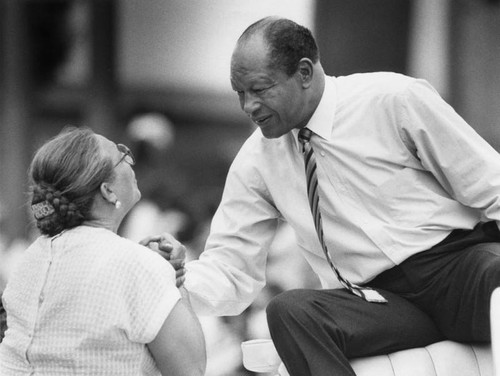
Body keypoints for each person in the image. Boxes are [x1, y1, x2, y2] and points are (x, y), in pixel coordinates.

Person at [150, 16, 500, 376]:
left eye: (260, 89)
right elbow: (231, 270)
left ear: (304, 73)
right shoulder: (256, 160)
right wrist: (177, 275)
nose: (248, 106)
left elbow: (491, 182)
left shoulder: (393, 99)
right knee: (288, 311)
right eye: (240, 93)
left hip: (458, 269)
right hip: (378, 301)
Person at [0, 127, 206, 376]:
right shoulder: (138, 266)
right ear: (108, 191)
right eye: (123, 156)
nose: (132, 163)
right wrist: (174, 278)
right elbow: (191, 369)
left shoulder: (31, 257)